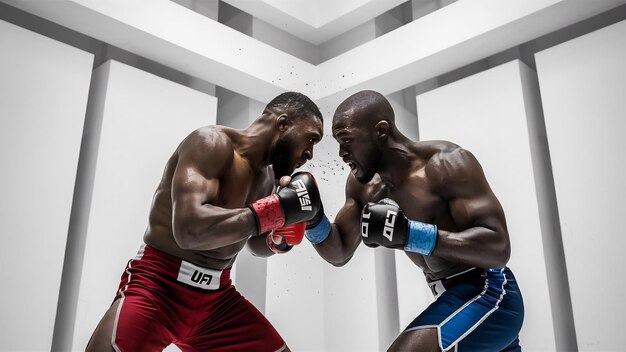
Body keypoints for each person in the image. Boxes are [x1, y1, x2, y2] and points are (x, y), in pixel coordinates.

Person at [86, 92, 325, 352]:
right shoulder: (210, 143)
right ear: (282, 123)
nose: (310, 153)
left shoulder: (268, 177)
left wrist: (278, 237)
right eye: (311, 138)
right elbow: (189, 231)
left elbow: (254, 244)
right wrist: (273, 211)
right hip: (159, 288)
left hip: (217, 302)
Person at [304, 90, 524, 351]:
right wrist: (312, 218)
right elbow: (339, 252)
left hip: (489, 292)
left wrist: (411, 234)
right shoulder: (363, 186)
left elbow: (499, 248)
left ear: (381, 131)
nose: (341, 153)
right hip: (452, 299)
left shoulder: (446, 163)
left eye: (347, 140)